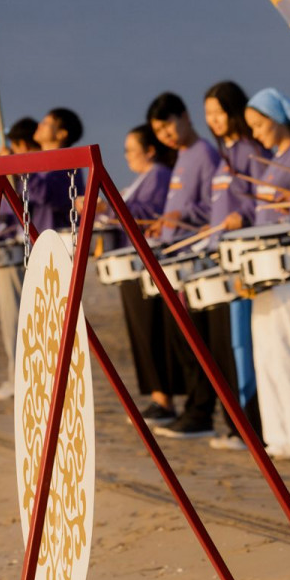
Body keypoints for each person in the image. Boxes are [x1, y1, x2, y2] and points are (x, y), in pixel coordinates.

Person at [232, 87, 290, 462]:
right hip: (264, 268)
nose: (256, 134)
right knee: (268, 355)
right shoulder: (275, 159)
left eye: (259, 125)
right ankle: (280, 436)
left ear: (278, 119)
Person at [146, 92, 221, 439]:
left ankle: (201, 412)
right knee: (180, 341)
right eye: (159, 132)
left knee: (195, 341)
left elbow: (213, 207)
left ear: (185, 116)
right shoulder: (181, 157)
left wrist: (181, 215)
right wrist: (164, 223)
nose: (166, 135)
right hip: (175, 257)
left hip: (195, 259)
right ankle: (193, 407)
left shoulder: (204, 153)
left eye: (168, 126)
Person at [201, 81, 266, 450]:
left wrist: (245, 216)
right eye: (208, 114)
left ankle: (249, 425)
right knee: (225, 344)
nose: (213, 120)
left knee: (241, 343)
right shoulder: (224, 154)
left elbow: (263, 198)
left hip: (241, 259)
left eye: (219, 112)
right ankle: (236, 421)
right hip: (219, 255)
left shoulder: (250, 149)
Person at [115, 124, 176, 422]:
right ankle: (156, 396)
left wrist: (108, 205)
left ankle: (163, 399)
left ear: (150, 150)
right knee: (141, 331)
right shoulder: (143, 178)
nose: (127, 156)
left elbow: (147, 212)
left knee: (151, 330)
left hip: (147, 261)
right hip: (133, 260)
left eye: (131, 150)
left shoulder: (159, 174)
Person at [0, 117, 40, 400]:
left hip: (31, 251)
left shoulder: (38, 169)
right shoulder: (24, 173)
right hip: (18, 249)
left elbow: (33, 200)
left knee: (19, 319)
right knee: (13, 319)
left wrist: (13, 170)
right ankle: (16, 376)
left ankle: (21, 379)